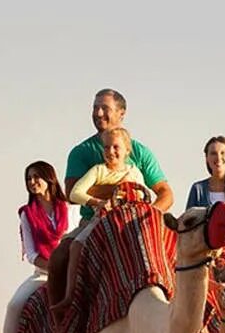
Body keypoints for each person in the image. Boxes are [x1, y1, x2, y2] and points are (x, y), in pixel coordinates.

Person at [46, 88, 173, 313]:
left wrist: (146, 216)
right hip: (95, 220)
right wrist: (118, 192)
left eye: (105, 108)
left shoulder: (140, 153)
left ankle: (198, 332)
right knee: (59, 259)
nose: (98, 113)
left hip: (139, 220)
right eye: (95, 108)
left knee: (186, 254)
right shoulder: (82, 152)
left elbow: (165, 193)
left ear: (121, 113)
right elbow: (71, 192)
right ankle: (61, 331)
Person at [50, 127, 154, 315]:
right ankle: (70, 296)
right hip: (100, 222)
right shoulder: (99, 170)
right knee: (76, 245)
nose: (110, 152)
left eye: (116, 147)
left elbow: (144, 196)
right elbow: (75, 193)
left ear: (127, 151)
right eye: (106, 147)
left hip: (127, 222)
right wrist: (99, 203)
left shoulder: (134, 173)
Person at [0, 161, 69, 333]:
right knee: (14, 306)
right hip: (43, 273)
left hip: (71, 270)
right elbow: (30, 253)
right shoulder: (27, 214)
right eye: (28, 179)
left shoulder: (70, 209)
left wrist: (64, 267)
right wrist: (52, 267)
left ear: (50, 179)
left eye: (37, 177)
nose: (32, 182)